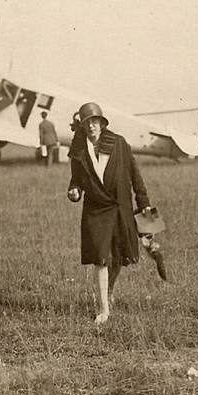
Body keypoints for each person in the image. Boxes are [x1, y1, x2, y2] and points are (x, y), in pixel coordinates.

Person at [66, 102, 152, 324]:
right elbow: (76, 179)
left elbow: (135, 176)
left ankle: (109, 289)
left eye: (96, 122)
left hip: (120, 206)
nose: (92, 126)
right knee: (101, 258)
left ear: (102, 124)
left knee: (120, 258)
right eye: (88, 123)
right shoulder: (78, 151)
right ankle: (104, 308)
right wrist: (74, 190)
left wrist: (144, 205)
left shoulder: (119, 143)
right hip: (96, 209)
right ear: (83, 126)